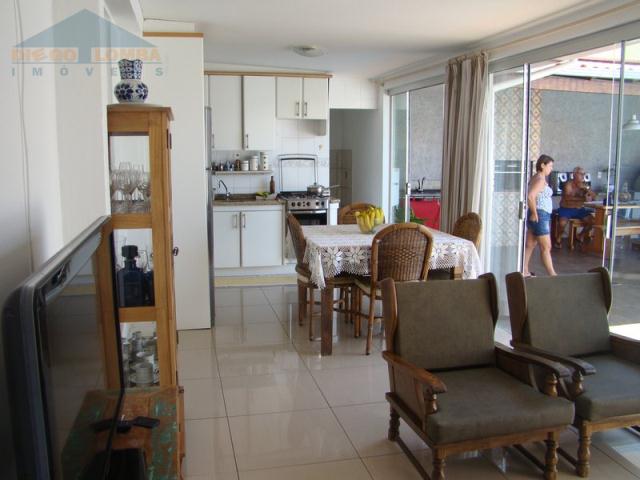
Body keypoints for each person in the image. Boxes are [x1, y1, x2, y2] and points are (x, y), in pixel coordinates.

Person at [524, 154, 557, 277]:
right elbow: (530, 196)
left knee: (530, 244)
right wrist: (534, 213)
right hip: (540, 215)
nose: (551, 169)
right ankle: (552, 275)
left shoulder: (537, 177)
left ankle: (524, 270)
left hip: (539, 214)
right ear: (543, 165)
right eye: (550, 166)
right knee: (546, 247)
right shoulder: (540, 179)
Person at [554, 166, 596, 248]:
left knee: (592, 221)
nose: (583, 176)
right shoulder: (568, 184)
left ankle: (580, 235)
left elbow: (594, 197)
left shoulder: (584, 185)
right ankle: (558, 238)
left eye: (584, 174)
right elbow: (568, 198)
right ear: (574, 174)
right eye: (581, 174)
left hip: (579, 209)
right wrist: (583, 199)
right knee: (562, 223)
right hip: (566, 208)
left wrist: (586, 189)